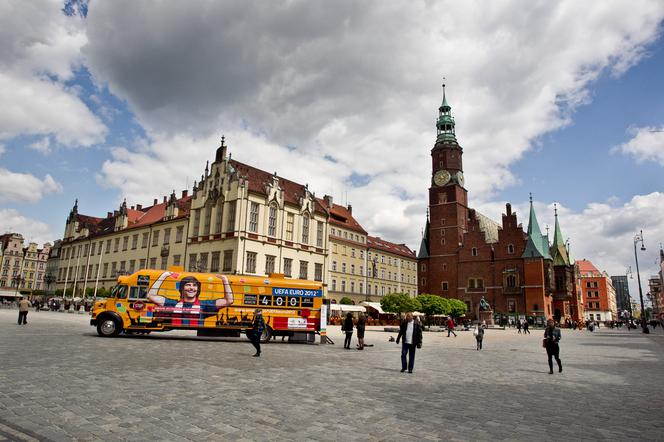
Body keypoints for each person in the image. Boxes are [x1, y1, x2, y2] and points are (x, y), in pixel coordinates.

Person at [148, 273, 234, 325]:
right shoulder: (173, 304)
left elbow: (228, 300)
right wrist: (163, 276)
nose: (191, 288)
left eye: (194, 285)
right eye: (188, 285)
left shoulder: (204, 305)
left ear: (198, 289)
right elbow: (151, 296)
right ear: (182, 288)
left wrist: (225, 281)